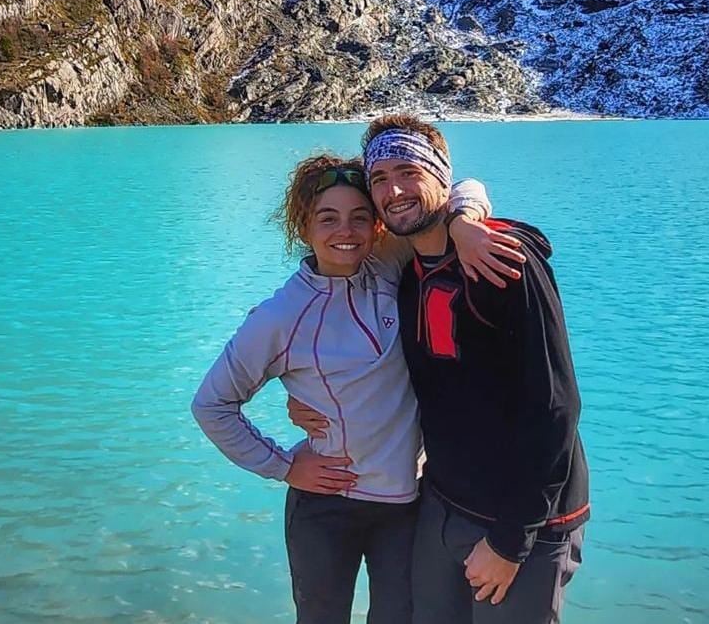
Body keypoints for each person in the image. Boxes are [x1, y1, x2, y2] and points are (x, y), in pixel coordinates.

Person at [190, 153, 525, 624]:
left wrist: (466, 225)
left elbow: (463, 187)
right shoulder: (279, 316)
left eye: (359, 218)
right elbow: (212, 405)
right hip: (327, 508)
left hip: (408, 507)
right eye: (328, 219)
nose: (344, 232)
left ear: (377, 228)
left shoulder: (387, 267)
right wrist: (283, 465)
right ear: (304, 227)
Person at [294, 116, 589, 623]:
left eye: (408, 170)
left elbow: (555, 407)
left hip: (525, 521)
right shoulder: (402, 268)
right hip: (443, 506)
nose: (394, 190)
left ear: (440, 178)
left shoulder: (500, 259)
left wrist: (510, 541)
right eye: (380, 178)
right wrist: (316, 400)